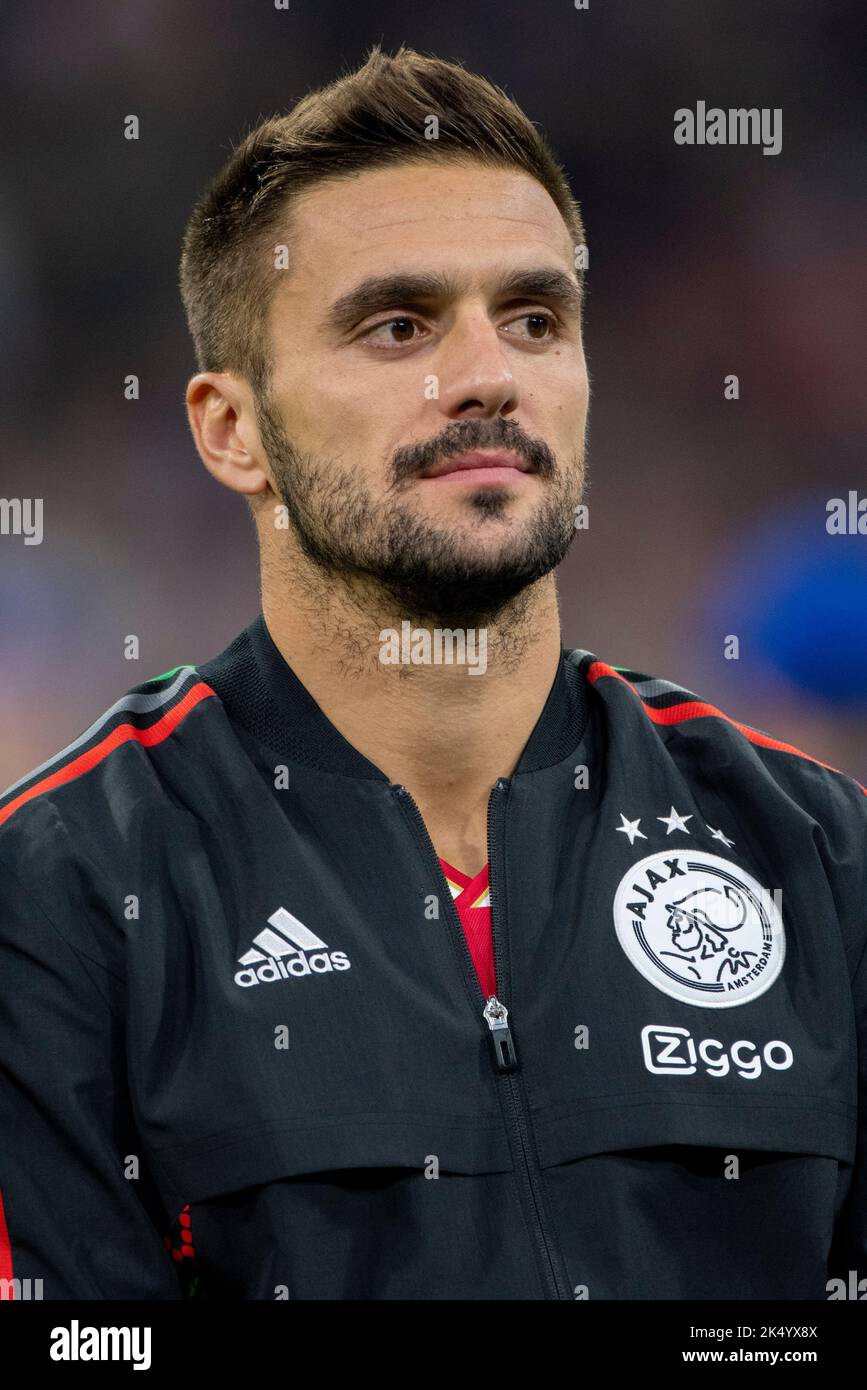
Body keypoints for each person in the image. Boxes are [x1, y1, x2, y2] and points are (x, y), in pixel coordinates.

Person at [1, 44, 865, 1302]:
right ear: (230, 430)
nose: (486, 376)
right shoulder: (63, 898)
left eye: (533, 318)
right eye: (397, 324)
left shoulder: (820, 861)